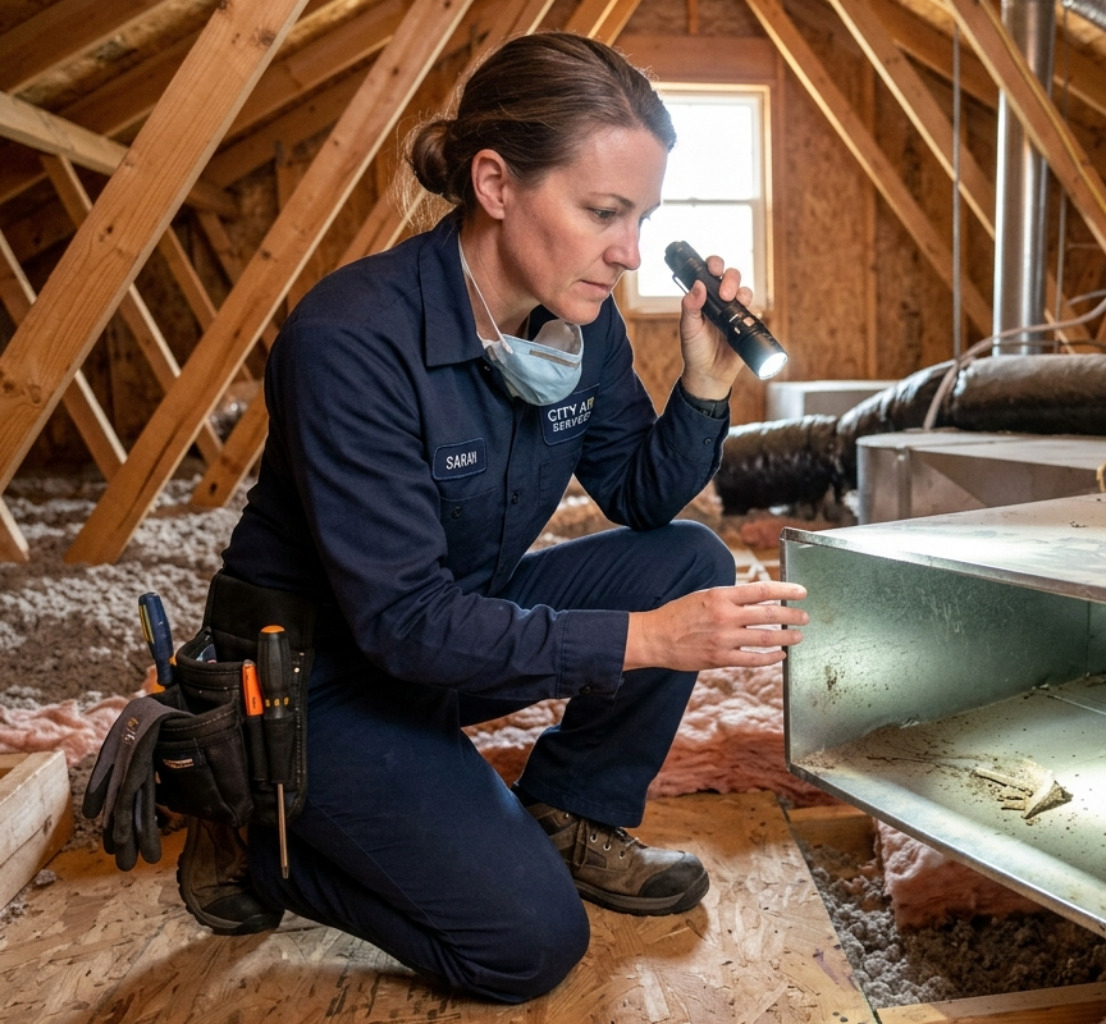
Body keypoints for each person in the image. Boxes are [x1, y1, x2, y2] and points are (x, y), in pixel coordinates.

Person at [179, 31, 809, 1003]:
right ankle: (256, 827)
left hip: (455, 623)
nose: (630, 252)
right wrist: (645, 640)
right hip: (317, 677)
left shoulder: (579, 322)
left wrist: (699, 385)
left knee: (689, 558)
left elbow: (641, 500)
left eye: (642, 217)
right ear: (496, 182)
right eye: (603, 212)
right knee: (525, 944)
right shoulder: (351, 339)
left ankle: (570, 811)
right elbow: (403, 625)